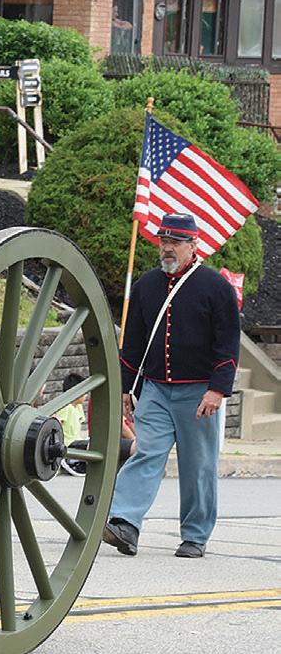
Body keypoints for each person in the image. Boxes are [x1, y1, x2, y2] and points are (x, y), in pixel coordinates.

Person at [104, 212, 239, 560]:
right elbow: (133, 344)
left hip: (199, 392)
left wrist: (217, 390)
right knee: (146, 452)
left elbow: (228, 344)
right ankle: (124, 523)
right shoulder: (146, 286)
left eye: (175, 242)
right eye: (164, 241)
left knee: (198, 466)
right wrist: (125, 389)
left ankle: (195, 535)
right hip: (155, 389)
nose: (167, 248)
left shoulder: (216, 287)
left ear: (193, 245)